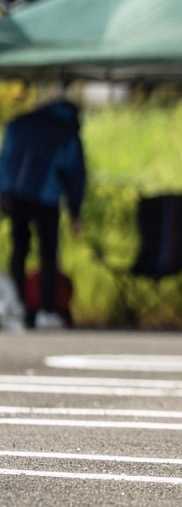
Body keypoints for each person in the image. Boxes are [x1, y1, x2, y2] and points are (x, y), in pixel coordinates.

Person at [0, 85, 86, 329]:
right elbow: (74, 173)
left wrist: (3, 191)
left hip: (16, 196)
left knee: (19, 251)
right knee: (48, 254)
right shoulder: (67, 131)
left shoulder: (22, 123)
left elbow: (6, 159)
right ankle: (46, 310)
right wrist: (75, 210)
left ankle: (16, 306)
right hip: (47, 198)